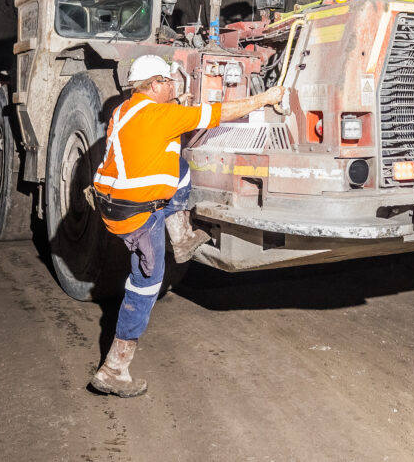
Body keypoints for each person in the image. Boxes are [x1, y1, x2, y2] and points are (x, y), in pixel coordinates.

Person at [88, 54, 284, 397]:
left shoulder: (123, 110)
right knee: (146, 283)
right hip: (135, 216)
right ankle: (114, 368)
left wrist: (177, 108)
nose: (173, 87)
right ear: (156, 85)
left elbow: (154, 138)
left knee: (179, 168)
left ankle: (180, 238)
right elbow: (221, 113)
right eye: (169, 82)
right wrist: (266, 98)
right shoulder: (164, 116)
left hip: (108, 202)